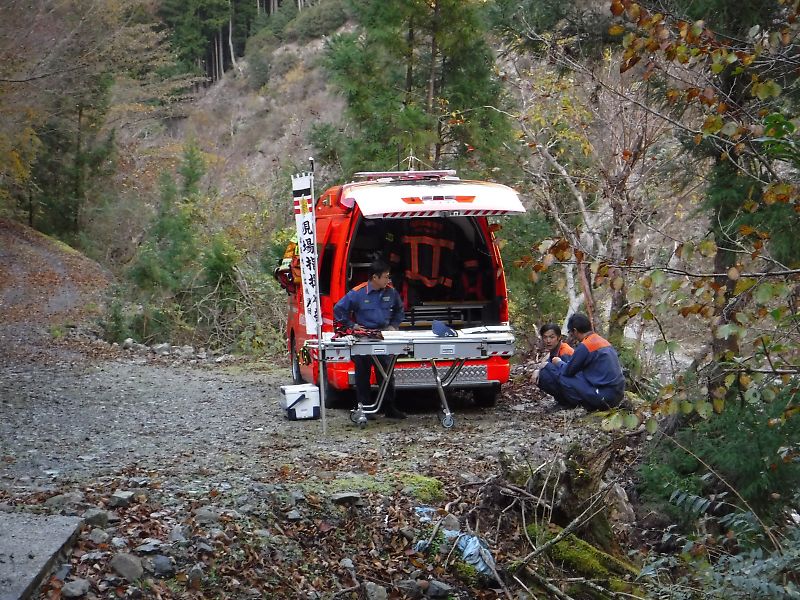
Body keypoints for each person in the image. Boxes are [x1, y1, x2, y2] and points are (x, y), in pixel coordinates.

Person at [333, 260, 407, 419]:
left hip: (383, 337)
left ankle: (389, 407)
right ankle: (365, 408)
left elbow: (400, 309)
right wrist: (352, 325)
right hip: (363, 338)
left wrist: (394, 325)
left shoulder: (391, 292)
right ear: (375, 277)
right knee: (362, 374)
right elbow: (338, 309)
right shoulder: (357, 293)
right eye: (385, 277)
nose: (388, 280)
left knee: (386, 373)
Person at [538, 313, 625, 411]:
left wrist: (555, 363)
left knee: (547, 371)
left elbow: (567, 371)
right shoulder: (603, 341)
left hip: (603, 396)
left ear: (575, 331)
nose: (548, 341)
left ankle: (573, 403)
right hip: (617, 394)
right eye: (545, 337)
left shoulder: (586, 346)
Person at [533, 322, 573, 388]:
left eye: (552, 337)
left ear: (559, 337)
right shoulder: (554, 351)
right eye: (545, 337)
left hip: (574, 387)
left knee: (543, 375)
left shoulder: (565, 352)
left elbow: (570, 376)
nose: (548, 341)